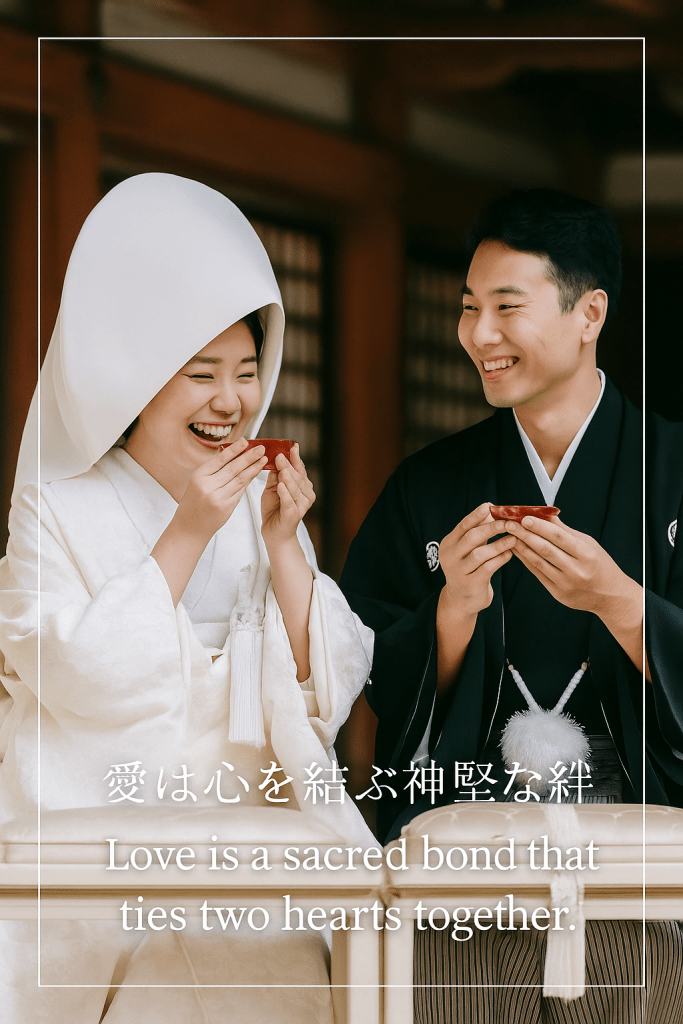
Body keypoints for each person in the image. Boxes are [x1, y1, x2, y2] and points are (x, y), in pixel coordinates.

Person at [0, 172, 373, 1022]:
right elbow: (68, 673)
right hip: (96, 830)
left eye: (246, 371)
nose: (232, 401)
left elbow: (323, 695)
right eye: (201, 373)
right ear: (135, 381)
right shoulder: (56, 504)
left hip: (245, 851)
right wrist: (185, 536)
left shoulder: (254, 502)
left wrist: (282, 547)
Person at [341, 189, 683, 1022]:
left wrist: (625, 607)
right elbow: (363, 656)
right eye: (468, 308)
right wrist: (453, 610)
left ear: (587, 312)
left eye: (506, 306)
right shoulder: (430, 485)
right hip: (465, 857)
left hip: (642, 860)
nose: (478, 335)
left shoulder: (672, 467)